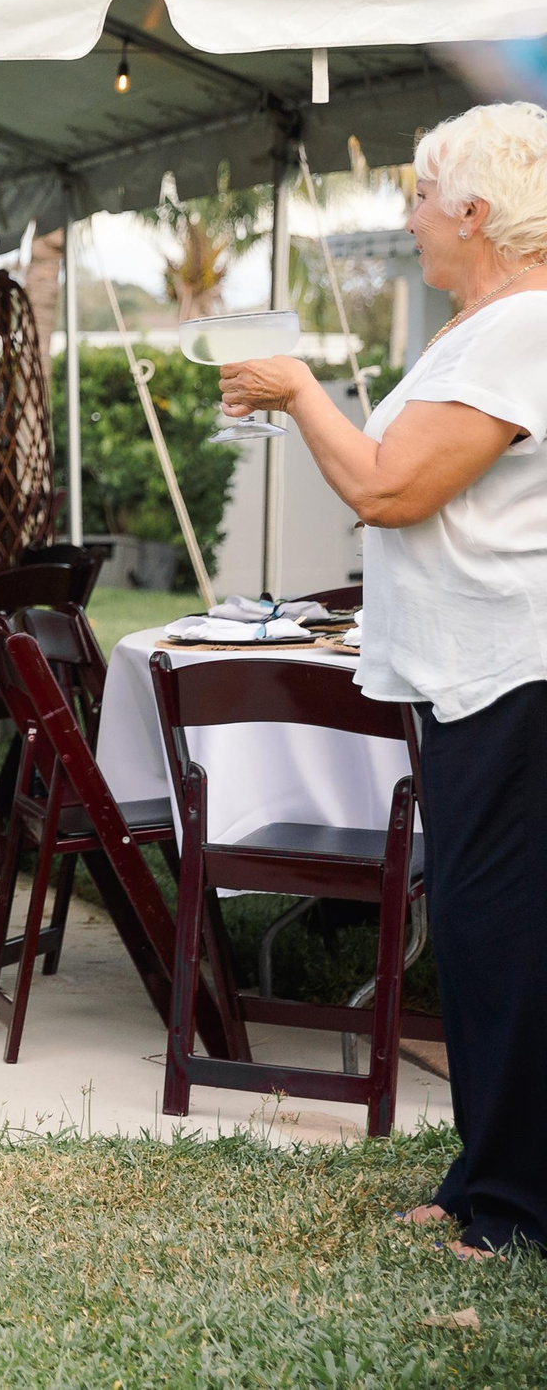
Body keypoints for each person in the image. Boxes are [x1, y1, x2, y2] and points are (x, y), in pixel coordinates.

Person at [219, 100, 547, 1259]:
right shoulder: (483, 328)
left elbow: (392, 490)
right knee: (476, 928)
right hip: (476, 674)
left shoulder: (522, 327)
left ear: (475, 210)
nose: (408, 221)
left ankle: (515, 1207)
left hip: (515, 674)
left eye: (418, 198)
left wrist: (299, 388)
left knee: (503, 931)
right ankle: (483, 1177)